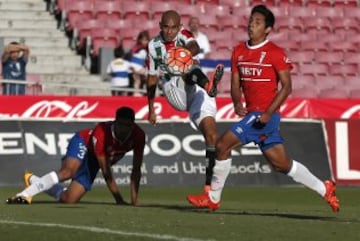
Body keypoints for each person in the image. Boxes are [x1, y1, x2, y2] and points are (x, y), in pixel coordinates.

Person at [187, 5, 340, 212]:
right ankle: (324, 188)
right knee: (281, 164)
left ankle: (212, 198)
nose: (252, 25)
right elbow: (235, 82)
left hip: (265, 115)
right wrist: (236, 101)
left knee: (222, 146)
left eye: (258, 22)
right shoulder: (239, 51)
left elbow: (287, 87)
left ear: (267, 29)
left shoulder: (275, 53)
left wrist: (268, 113)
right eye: (251, 21)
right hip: (253, 115)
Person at [146, 10, 224, 194]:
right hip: (174, 90)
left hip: (198, 90)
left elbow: (195, 47)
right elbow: (151, 80)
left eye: (173, 27)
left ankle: (208, 190)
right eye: (166, 27)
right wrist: (151, 109)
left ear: (180, 27)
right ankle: (207, 84)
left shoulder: (184, 35)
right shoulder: (153, 46)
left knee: (212, 136)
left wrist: (180, 54)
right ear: (160, 26)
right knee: (185, 68)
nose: (170, 31)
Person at [6, 107, 145, 205]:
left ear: (133, 125)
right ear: (115, 122)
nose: (123, 128)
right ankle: (24, 194)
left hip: (94, 161)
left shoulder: (139, 136)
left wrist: (134, 199)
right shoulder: (102, 132)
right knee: (67, 172)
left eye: (127, 125)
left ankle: (33, 180)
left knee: (69, 199)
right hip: (83, 143)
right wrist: (119, 199)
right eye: (120, 124)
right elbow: (106, 172)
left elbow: (136, 169)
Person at [129, 30, 151, 96]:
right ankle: (140, 92)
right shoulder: (139, 49)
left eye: (146, 40)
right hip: (135, 68)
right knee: (148, 75)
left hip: (138, 68)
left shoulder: (144, 49)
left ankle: (138, 92)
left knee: (139, 79)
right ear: (140, 40)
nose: (145, 42)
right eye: (143, 40)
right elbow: (134, 60)